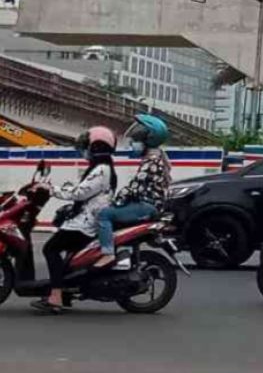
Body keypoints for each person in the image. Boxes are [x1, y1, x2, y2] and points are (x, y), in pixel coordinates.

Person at [33, 127, 118, 313]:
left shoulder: (102, 169)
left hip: (86, 225)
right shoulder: (99, 168)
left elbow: (80, 193)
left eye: (86, 146)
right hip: (84, 219)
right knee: (62, 251)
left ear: (96, 147)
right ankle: (64, 291)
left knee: (50, 248)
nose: (84, 151)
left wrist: (50, 189)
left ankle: (56, 297)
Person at [94, 115, 172, 270]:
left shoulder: (152, 161)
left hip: (146, 206)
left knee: (104, 214)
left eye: (136, 140)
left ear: (148, 139)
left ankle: (108, 253)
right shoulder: (157, 158)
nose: (133, 144)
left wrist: (116, 199)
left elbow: (134, 188)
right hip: (148, 204)